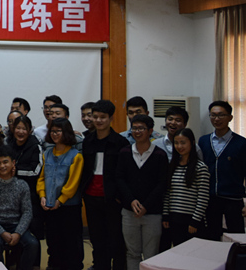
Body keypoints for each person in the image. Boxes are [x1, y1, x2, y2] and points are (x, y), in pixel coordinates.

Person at [80, 99, 129, 270]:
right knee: (97, 238)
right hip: (91, 197)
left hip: (112, 198)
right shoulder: (88, 141)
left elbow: (124, 174)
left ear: (111, 118)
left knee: (116, 239)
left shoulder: (121, 142)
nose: (98, 120)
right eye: (95, 117)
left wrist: (119, 196)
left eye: (103, 117)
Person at [116, 114, 168, 270]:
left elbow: (162, 184)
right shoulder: (124, 152)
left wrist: (146, 205)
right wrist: (131, 200)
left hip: (152, 213)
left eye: (141, 128)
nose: (137, 132)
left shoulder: (160, 155)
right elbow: (120, 179)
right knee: (132, 253)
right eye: (134, 128)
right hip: (129, 211)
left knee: (151, 254)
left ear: (150, 131)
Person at [0, 145, 39, 270]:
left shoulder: (22, 185)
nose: (2, 166)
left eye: (5, 162)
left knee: (33, 243)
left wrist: (18, 232)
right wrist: (2, 232)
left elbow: (27, 212)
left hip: (16, 224)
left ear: (13, 163)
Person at [37, 117, 84, 270]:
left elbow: (73, 182)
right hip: (50, 205)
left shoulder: (76, 155)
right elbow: (42, 178)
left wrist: (61, 200)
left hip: (69, 206)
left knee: (70, 243)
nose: (55, 134)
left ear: (66, 132)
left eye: (58, 131)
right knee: (53, 242)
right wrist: (42, 196)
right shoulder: (47, 153)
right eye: (53, 131)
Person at [198, 100, 246, 240]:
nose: (216, 119)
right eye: (213, 115)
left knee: (236, 238)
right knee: (211, 237)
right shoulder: (203, 141)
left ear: (230, 117)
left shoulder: (241, 143)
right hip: (210, 199)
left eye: (221, 115)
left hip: (233, 199)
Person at [162, 128, 209, 247]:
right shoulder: (172, 166)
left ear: (192, 143)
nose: (179, 146)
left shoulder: (200, 167)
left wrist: (195, 221)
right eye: (176, 143)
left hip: (191, 220)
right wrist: (166, 215)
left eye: (183, 143)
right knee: (177, 252)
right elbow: (168, 193)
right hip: (174, 218)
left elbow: (203, 198)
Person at [7, 115, 44, 245]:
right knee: (15, 230)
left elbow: (36, 171)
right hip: (12, 195)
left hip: (31, 195)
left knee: (33, 232)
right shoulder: (9, 145)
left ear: (29, 131)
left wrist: (15, 171)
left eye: (24, 129)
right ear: (13, 129)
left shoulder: (35, 146)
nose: (21, 132)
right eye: (18, 128)